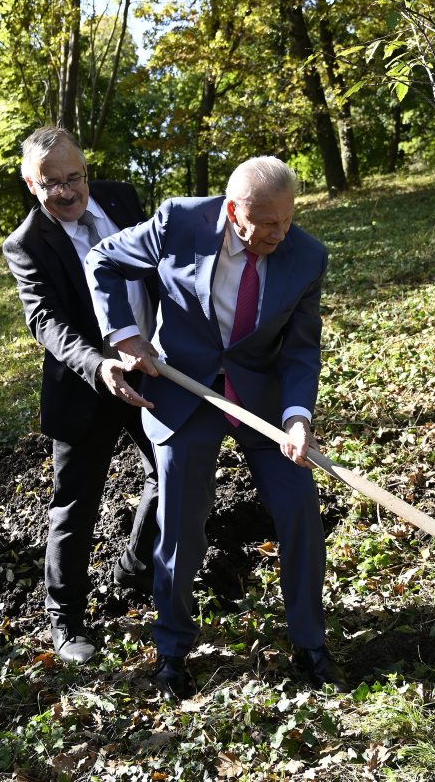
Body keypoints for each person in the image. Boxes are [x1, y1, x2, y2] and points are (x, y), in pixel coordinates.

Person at [84, 156, 347, 700]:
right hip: (182, 390)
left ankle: (309, 643)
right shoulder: (180, 222)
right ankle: (172, 650)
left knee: (298, 505)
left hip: (262, 398)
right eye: (267, 222)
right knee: (179, 520)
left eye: (287, 220)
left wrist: (298, 418)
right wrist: (126, 334)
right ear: (232, 211)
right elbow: (103, 259)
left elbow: (300, 352)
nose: (280, 232)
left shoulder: (306, 257)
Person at [2, 127, 159, 664]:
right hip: (86, 386)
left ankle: (134, 571)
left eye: (74, 178)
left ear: (87, 171)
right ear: (30, 183)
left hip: (150, 372)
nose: (67, 192)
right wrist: (100, 364)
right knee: (74, 506)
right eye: (51, 184)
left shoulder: (122, 200)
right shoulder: (26, 245)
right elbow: (45, 321)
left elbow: (162, 270)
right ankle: (64, 620)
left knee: (172, 472)